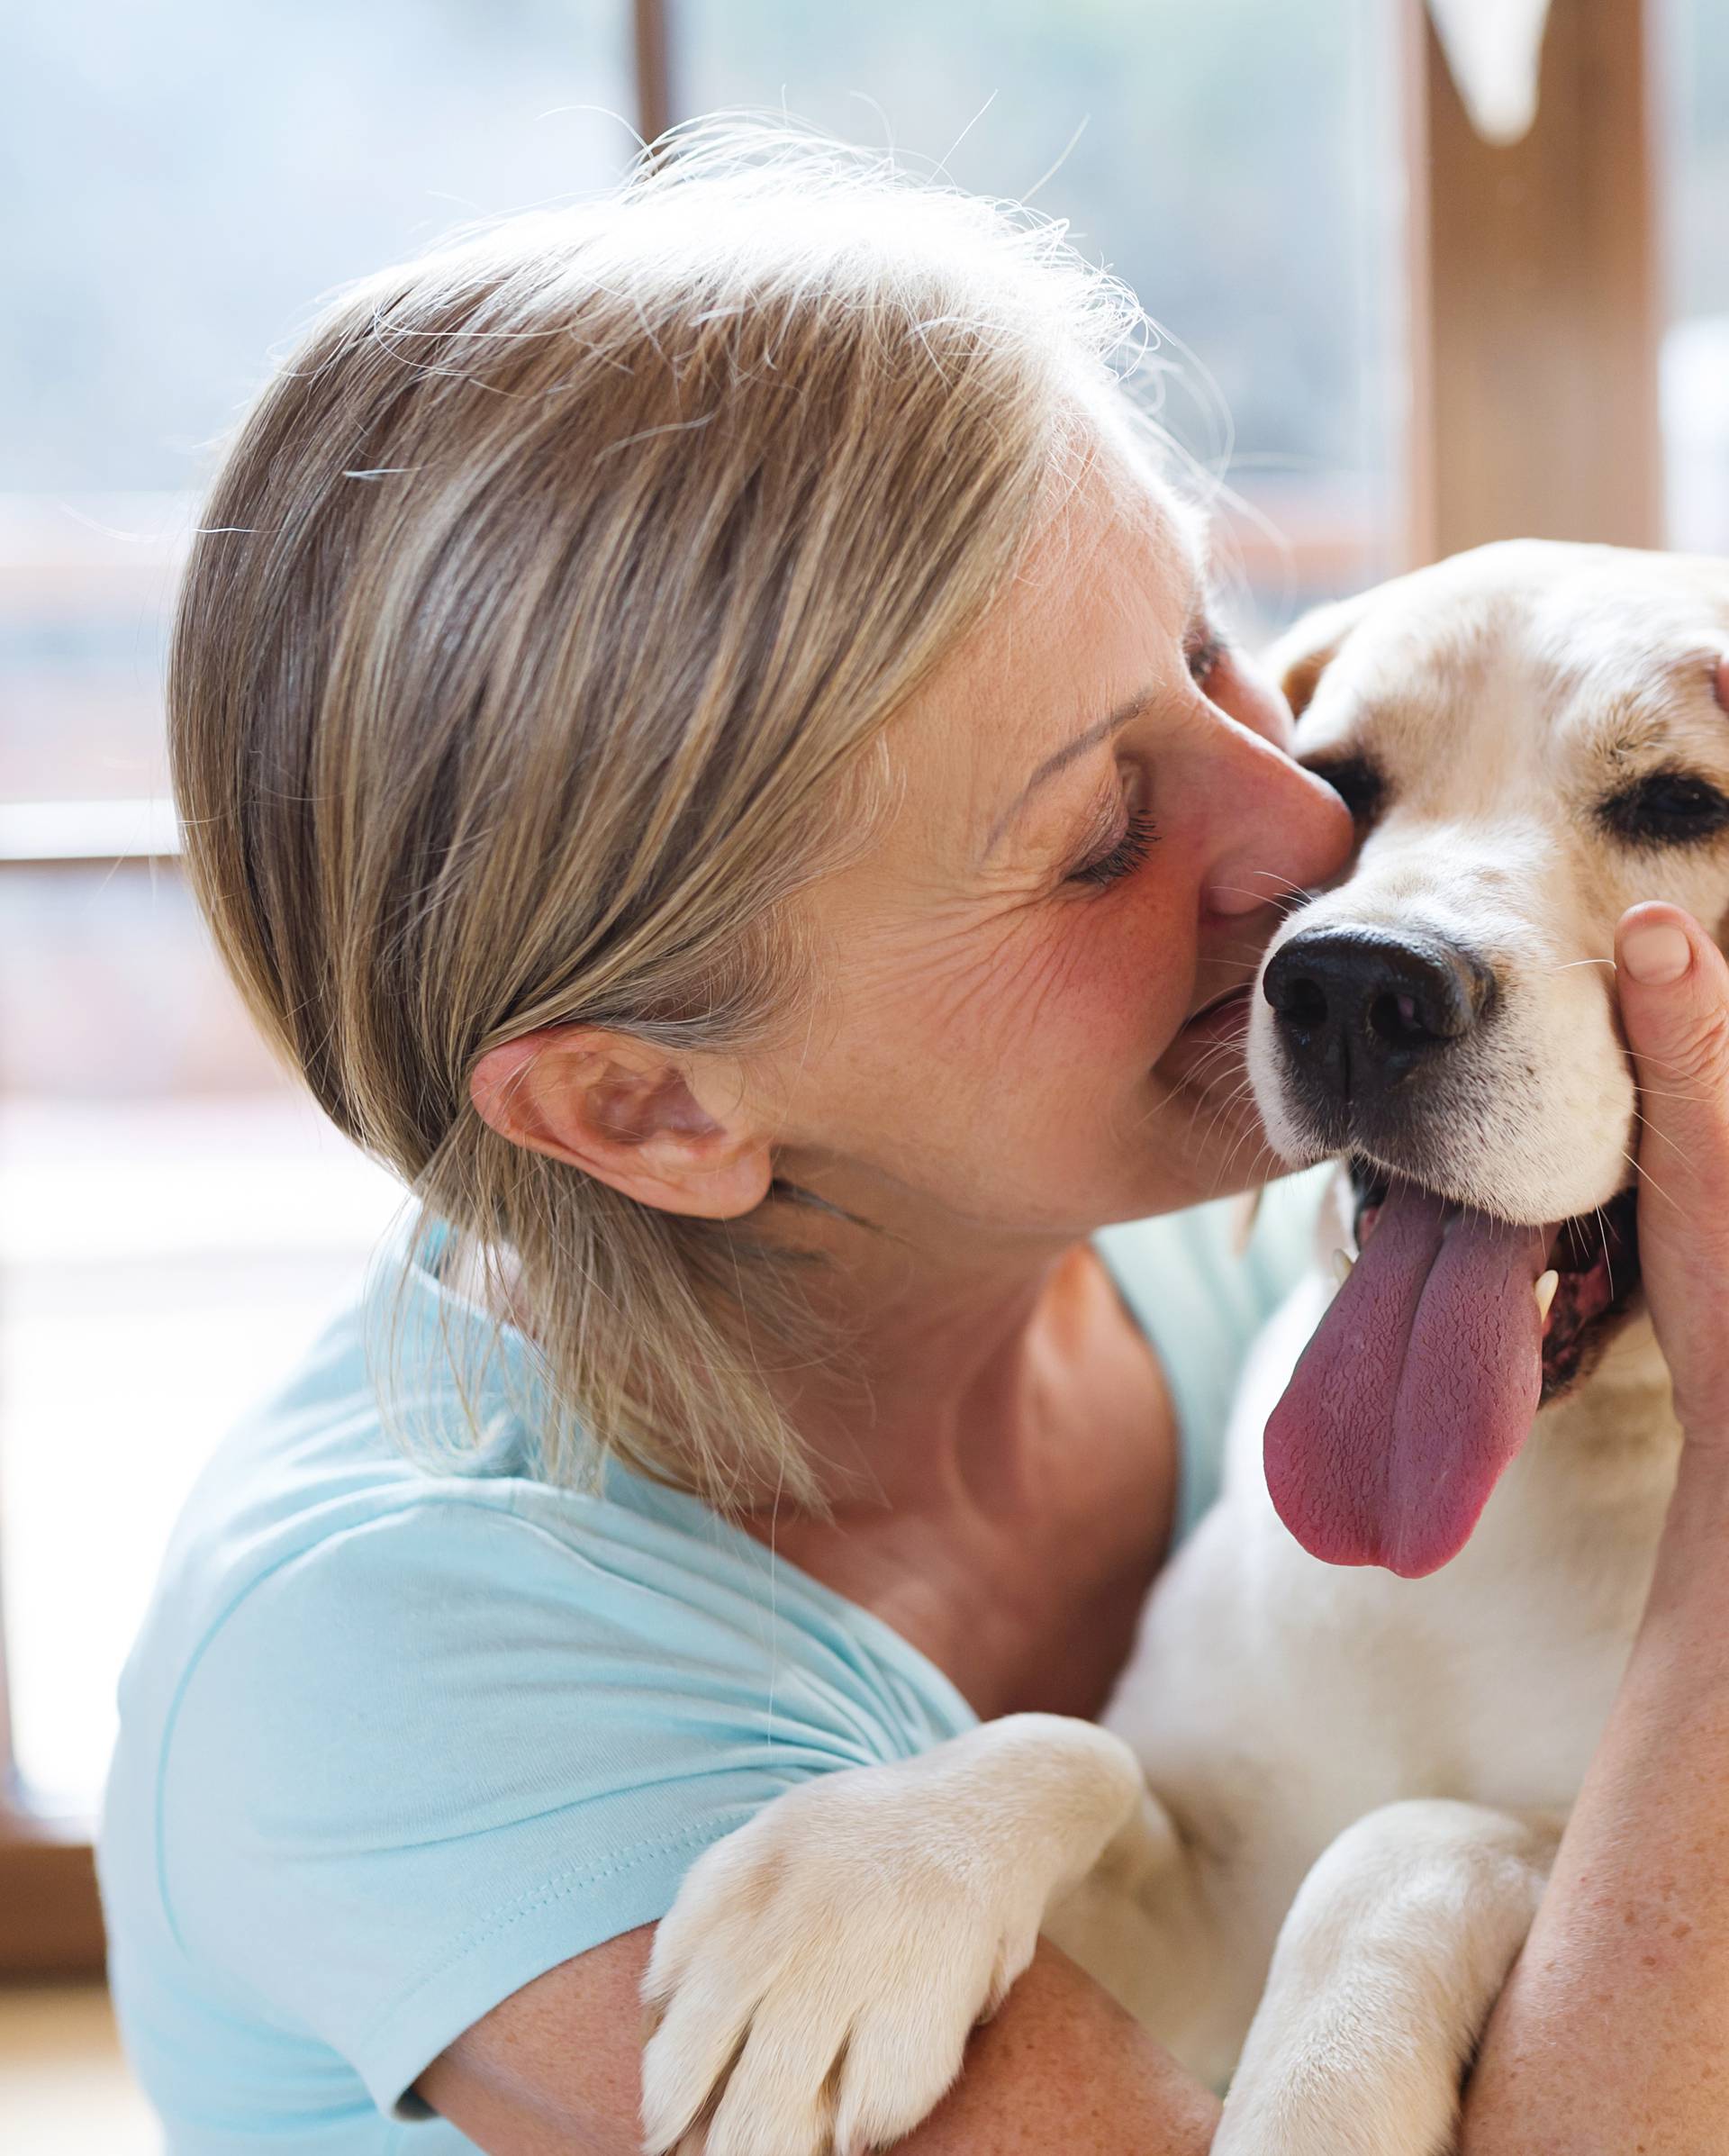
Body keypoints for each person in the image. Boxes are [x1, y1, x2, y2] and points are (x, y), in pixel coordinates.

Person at [96, 125, 1729, 2154]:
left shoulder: (1200, 1258)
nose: (1313, 859)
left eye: (1225, 672)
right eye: (1100, 833)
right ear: (655, 1103)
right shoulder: (393, 1692)